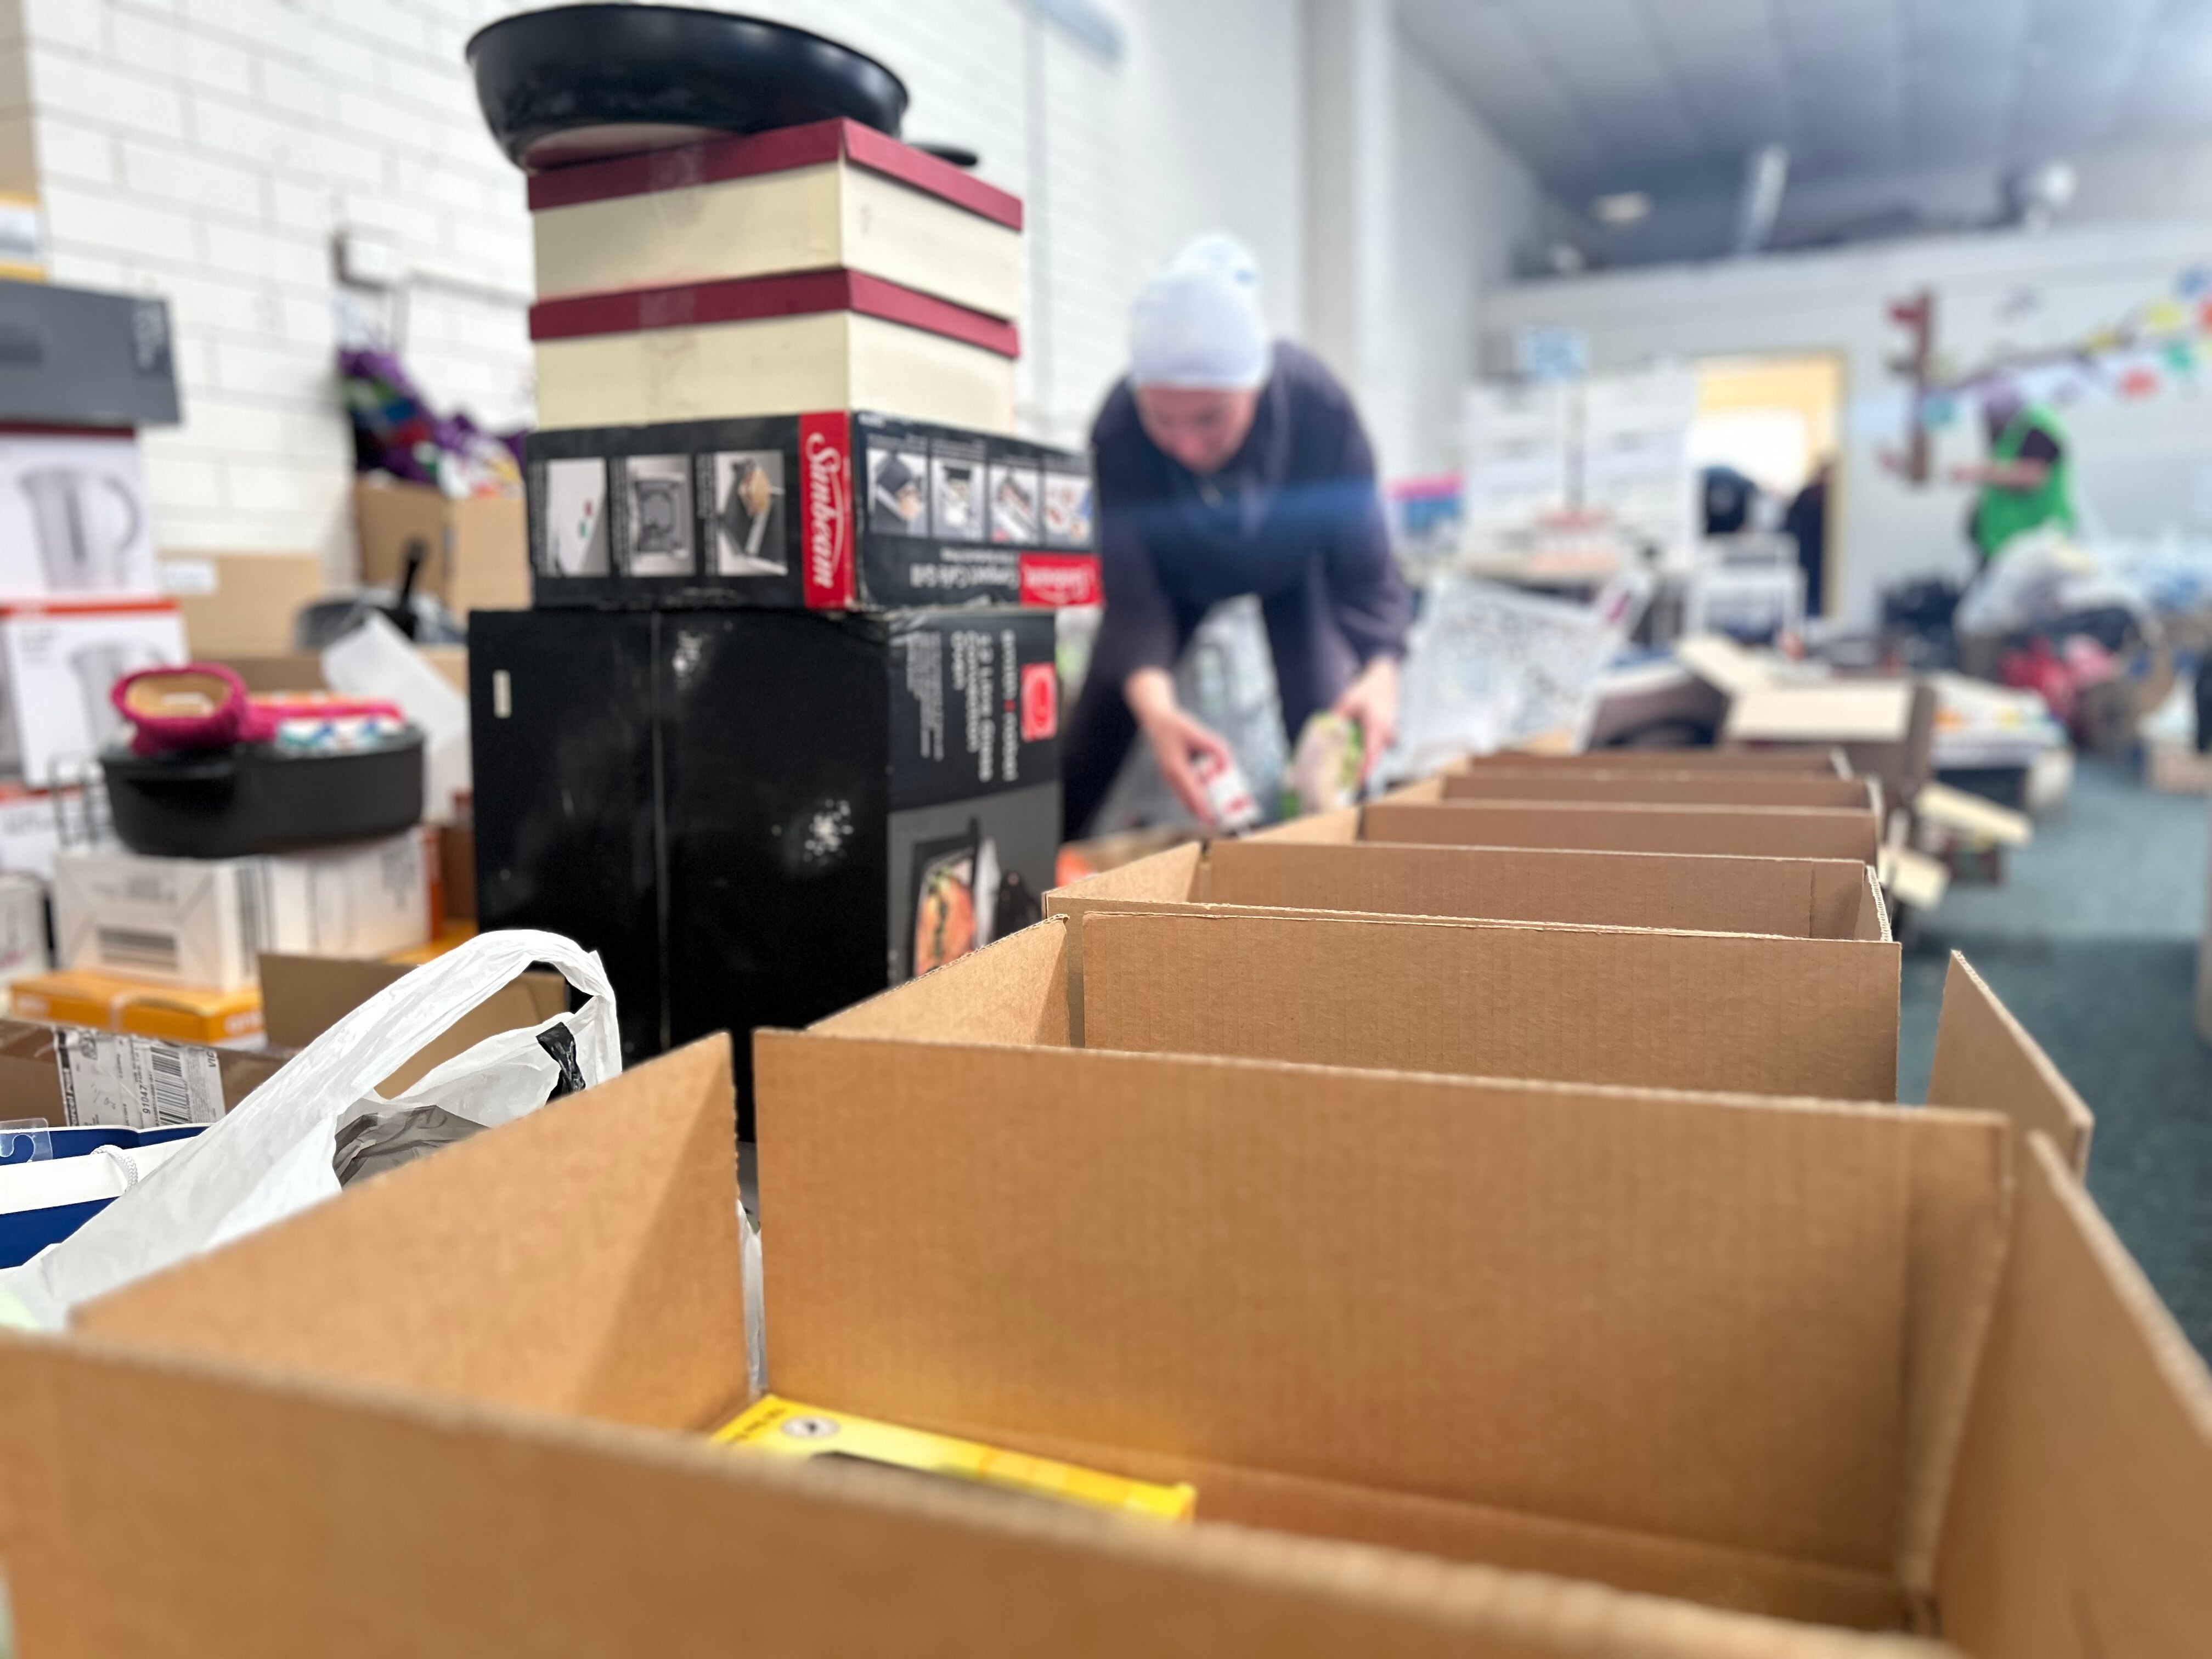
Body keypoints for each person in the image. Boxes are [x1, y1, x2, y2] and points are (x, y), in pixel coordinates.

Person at [1064, 236, 1412, 834]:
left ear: (1256, 385)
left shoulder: (1316, 405)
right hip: (1174, 581)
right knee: (1092, 743)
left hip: (1290, 571)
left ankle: (1338, 896)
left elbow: (1365, 570)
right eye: (1163, 419)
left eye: (1212, 418)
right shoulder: (1120, 428)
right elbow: (1132, 601)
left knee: (1328, 743)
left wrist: (1382, 676)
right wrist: (1160, 712)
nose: (1188, 444)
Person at [1955, 380, 2076, 566]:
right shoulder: (2012, 435)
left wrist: (1978, 474)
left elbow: (2032, 475)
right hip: (2006, 542)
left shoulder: (2036, 428)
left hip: (2035, 540)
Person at [1783, 459, 1831, 619]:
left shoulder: (1836, 499)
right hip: (1807, 557)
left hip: (1822, 560)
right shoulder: (1808, 495)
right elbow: (1789, 527)